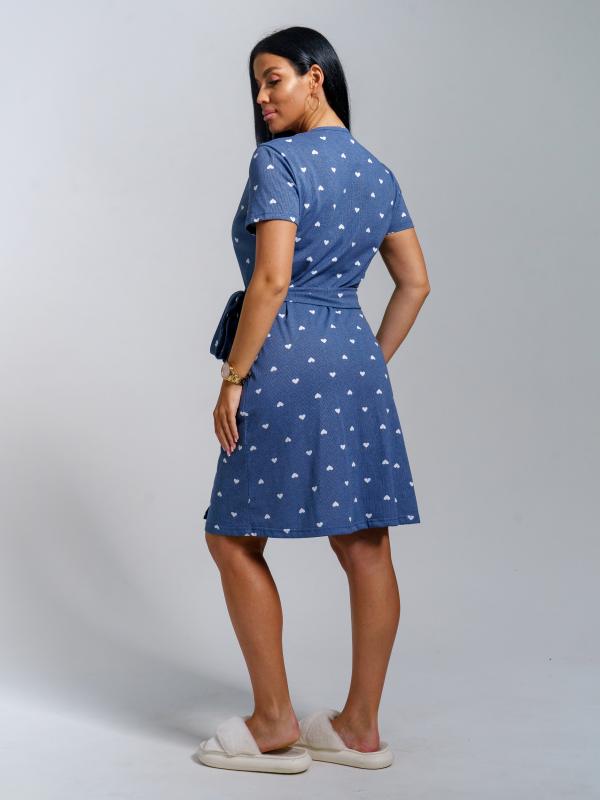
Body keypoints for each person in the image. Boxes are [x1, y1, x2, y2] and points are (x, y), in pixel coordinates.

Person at [195, 26, 430, 774]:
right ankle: (359, 727)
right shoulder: (376, 170)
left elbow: (271, 280)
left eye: (274, 80)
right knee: (365, 543)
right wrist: (368, 363)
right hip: (353, 357)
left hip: (285, 354)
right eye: (256, 86)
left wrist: (233, 377)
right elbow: (415, 281)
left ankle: (273, 722)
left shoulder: (279, 161)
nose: (262, 98)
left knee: (233, 538)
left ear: (315, 78)